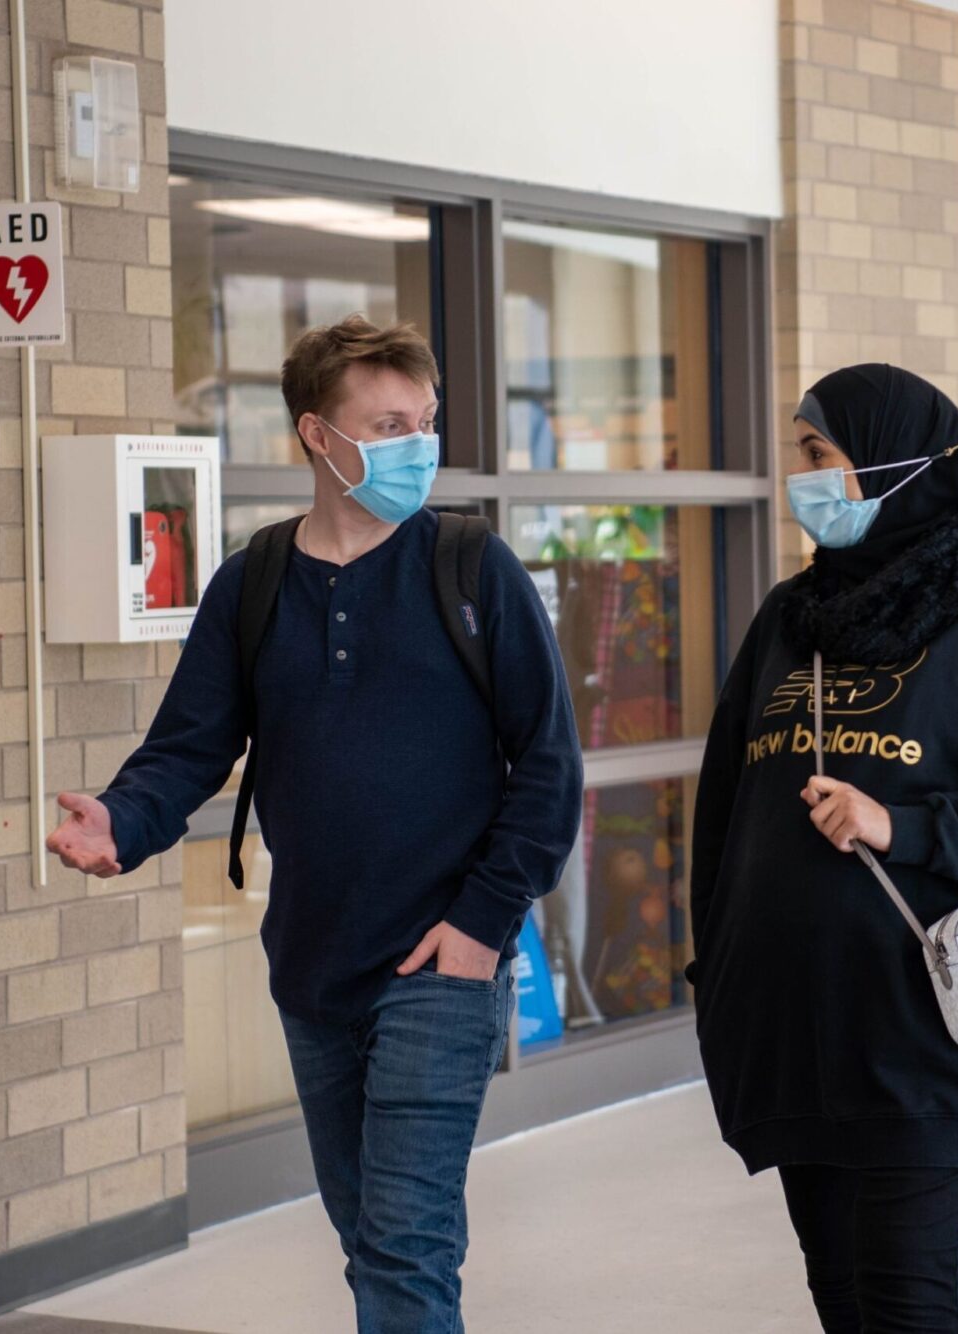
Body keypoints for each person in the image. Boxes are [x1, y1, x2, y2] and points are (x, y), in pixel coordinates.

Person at [47, 316, 583, 1334]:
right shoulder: (252, 584)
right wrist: (121, 819)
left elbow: (549, 766)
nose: (416, 444)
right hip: (311, 964)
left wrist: (480, 923)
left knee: (403, 1244)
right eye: (388, 424)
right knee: (364, 1232)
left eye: (424, 422)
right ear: (315, 435)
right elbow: (188, 747)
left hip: (439, 960)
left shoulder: (474, 569)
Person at [688, 365, 958, 1333]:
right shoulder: (790, 615)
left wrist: (899, 824)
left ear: (894, 463)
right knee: (840, 1294)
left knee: (906, 1293)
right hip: (788, 1023)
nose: (803, 475)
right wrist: (719, 968)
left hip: (916, 1020)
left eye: (819, 453)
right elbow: (722, 808)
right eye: (801, 454)